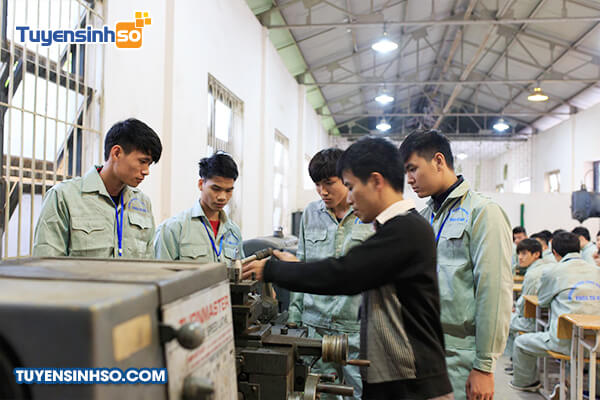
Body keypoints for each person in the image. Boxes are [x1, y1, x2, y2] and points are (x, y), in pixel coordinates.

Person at [243, 137, 453, 400]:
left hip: (413, 384)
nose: (350, 198)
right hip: (394, 378)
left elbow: (344, 274)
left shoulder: (406, 230)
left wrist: (270, 270)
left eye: (351, 187)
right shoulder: (397, 227)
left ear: (376, 181)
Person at [399, 129, 512, 400]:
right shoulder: (424, 217)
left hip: (460, 355)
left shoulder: (483, 213)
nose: (409, 179)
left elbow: (494, 291)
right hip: (421, 348)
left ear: (438, 161)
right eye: (405, 172)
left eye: (413, 169)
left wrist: (484, 365)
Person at [288, 148, 373, 399]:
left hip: (356, 329)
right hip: (316, 327)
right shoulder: (310, 214)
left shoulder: (369, 215)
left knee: (360, 392)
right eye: (317, 184)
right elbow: (301, 264)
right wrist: (294, 317)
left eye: (328, 183)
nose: (322, 191)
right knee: (319, 392)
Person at [33, 118, 162, 258]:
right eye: (142, 161)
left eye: (149, 164)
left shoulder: (142, 203)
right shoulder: (63, 197)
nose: (146, 171)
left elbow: (148, 263)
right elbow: (47, 263)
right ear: (116, 153)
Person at [510, 232, 600, 392]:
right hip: (597, 343)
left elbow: (542, 301)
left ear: (554, 252)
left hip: (565, 343)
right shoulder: (597, 270)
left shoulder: (552, 272)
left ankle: (527, 383)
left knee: (520, 342)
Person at [154, 152, 244, 263]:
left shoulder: (234, 232)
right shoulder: (172, 229)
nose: (222, 197)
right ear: (201, 184)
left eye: (228, 191)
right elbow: (160, 271)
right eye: (216, 189)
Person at [504, 239, 550, 359]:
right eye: (519, 253)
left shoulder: (533, 274)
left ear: (536, 254)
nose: (520, 257)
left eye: (524, 253)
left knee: (501, 319)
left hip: (532, 321)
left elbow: (525, 306)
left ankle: (514, 359)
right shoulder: (548, 266)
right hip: (545, 318)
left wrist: (515, 309)